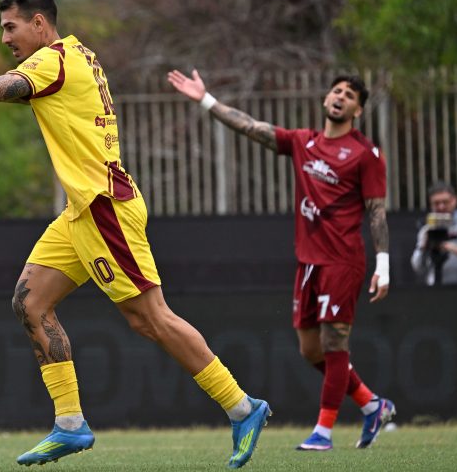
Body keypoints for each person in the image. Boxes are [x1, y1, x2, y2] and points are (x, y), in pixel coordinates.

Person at [0, 0, 271, 469]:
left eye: (10, 27)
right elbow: (3, 90)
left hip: (105, 208)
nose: (5, 38)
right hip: (80, 211)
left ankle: (242, 407)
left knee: (151, 318)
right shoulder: (74, 55)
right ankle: (70, 424)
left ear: (39, 24)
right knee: (30, 302)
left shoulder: (52, 61)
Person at [167, 68, 395, 451]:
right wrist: (206, 99)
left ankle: (323, 432)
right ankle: (372, 405)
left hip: (343, 261)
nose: (340, 97)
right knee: (310, 350)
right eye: (337, 91)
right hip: (308, 262)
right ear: (326, 98)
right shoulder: (304, 142)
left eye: (350, 95)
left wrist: (383, 265)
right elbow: (251, 127)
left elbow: (376, 211)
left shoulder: (365, 154)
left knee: (334, 343)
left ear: (357, 110)